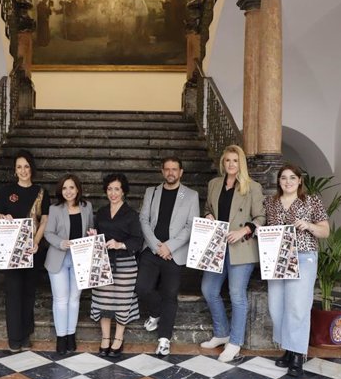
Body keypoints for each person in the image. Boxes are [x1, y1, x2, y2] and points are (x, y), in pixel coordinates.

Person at [200, 145, 266, 362]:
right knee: (209, 289)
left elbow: (260, 217)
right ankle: (222, 333)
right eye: (227, 160)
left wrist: (243, 230)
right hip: (217, 246)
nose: (231, 164)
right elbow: (208, 207)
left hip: (241, 247)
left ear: (241, 164)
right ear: (223, 162)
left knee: (237, 294)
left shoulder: (252, 187)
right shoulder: (214, 184)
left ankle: (235, 342)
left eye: (235, 161)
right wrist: (209, 215)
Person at [264, 164, 329, 376]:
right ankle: (288, 347)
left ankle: (298, 354)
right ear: (279, 181)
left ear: (300, 180)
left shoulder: (311, 201)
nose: (288, 181)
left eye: (293, 178)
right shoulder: (270, 202)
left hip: (304, 256)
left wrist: (309, 226)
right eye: (284, 178)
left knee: (298, 307)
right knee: (276, 307)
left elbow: (325, 231)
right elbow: (266, 227)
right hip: (277, 257)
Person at [137, 157, 199, 356]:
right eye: (167, 169)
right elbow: (143, 219)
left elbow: (191, 225)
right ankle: (155, 312)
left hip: (175, 253)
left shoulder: (191, 195)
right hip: (152, 250)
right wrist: (157, 246)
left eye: (175, 169)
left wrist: (170, 247)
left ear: (181, 172)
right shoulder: (151, 192)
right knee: (142, 288)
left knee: (170, 295)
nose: (171, 172)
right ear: (162, 171)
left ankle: (164, 339)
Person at [0, 150, 50, 352]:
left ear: (31, 168)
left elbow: (44, 220)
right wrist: (3, 218)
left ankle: (26, 335)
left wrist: (35, 242)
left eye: (26, 166)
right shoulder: (6, 191)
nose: (23, 170)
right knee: (14, 292)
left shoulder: (41, 192)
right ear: (15, 170)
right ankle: (14, 337)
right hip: (11, 251)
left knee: (28, 293)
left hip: (33, 250)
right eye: (19, 167)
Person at [89, 173, 143, 358]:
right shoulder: (102, 212)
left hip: (125, 264)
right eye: (110, 189)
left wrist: (120, 244)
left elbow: (138, 240)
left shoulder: (131, 214)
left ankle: (118, 338)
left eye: (117, 189)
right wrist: (93, 235)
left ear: (123, 191)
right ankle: (105, 338)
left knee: (122, 302)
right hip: (103, 262)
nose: (113, 193)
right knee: (103, 299)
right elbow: (97, 233)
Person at [44, 174, 94, 355]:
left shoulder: (86, 207)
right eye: (64, 188)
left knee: (74, 299)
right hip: (59, 258)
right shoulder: (55, 208)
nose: (68, 191)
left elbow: (90, 229)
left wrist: (92, 234)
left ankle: (71, 335)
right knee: (61, 300)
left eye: (71, 187)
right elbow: (48, 233)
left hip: (80, 259)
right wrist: (60, 242)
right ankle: (61, 337)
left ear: (78, 189)